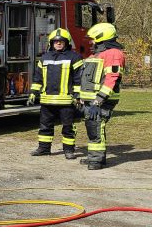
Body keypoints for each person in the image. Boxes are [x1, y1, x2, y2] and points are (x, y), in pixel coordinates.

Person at [28, 29, 83, 159]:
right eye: (56, 41)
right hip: (47, 100)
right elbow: (38, 78)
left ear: (66, 42)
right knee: (45, 126)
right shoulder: (44, 58)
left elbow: (79, 79)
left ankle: (69, 150)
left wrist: (77, 95)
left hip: (66, 101)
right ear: (51, 43)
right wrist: (33, 92)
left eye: (61, 41)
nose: (58, 43)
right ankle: (44, 148)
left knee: (68, 127)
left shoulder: (74, 58)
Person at [78, 23, 125, 170]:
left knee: (96, 127)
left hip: (102, 100)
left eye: (93, 39)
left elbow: (112, 78)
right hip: (92, 100)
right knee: (94, 128)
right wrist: (81, 97)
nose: (91, 42)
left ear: (101, 37)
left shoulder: (113, 54)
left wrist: (98, 100)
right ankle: (97, 157)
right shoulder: (97, 54)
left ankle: (96, 160)